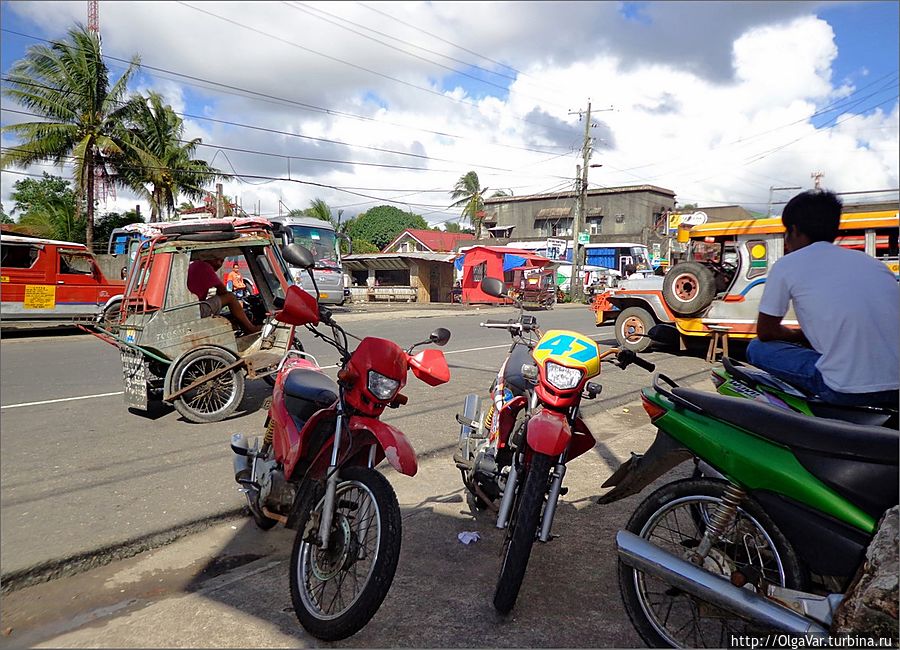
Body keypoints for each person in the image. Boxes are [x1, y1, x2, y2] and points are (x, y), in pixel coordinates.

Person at [746, 189, 899, 408]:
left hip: (845, 389)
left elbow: (766, 332)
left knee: (757, 348)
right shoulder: (874, 265)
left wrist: (799, 335)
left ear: (794, 230)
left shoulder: (787, 265)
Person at [187, 253, 261, 335]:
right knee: (231, 297)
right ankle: (250, 328)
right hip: (195, 310)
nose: (220, 264)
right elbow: (223, 291)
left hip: (190, 308)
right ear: (210, 258)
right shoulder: (205, 267)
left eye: (222, 261)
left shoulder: (195, 265)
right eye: (219, 260)